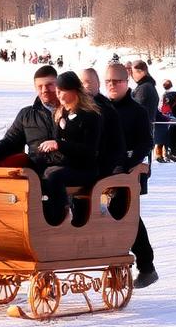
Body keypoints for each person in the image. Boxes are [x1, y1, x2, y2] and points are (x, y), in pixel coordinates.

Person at [105, 62, 158, 288]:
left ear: (126, 83)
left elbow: (146, 142)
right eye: (108, 82)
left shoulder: (137, 111)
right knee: (105, 216)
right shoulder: (102, 107)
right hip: (105, 172)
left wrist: (127, 164)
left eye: (117, 82)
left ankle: (145, 265)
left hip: (129, 173)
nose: (112, 86)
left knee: (127, 216)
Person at [34, 71, 102, 225]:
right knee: (38, 172)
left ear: (74, 91)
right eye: (57, 90)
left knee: (54, 177)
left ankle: (57, 218)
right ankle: (40, 215)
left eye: (61, 90)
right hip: (67, 165)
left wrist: (59, 144)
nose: (57, 94)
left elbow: (89, 150)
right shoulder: (62, 113)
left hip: (85, 169)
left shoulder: (90, 116)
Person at [0, 65, 59, 166]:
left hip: (64, 170)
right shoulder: (27, 115)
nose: (44, 90)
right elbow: (11, 141)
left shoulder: (71, 112)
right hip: (35, 168)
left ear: (58, 85)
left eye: (49, 85)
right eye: (40, 86)